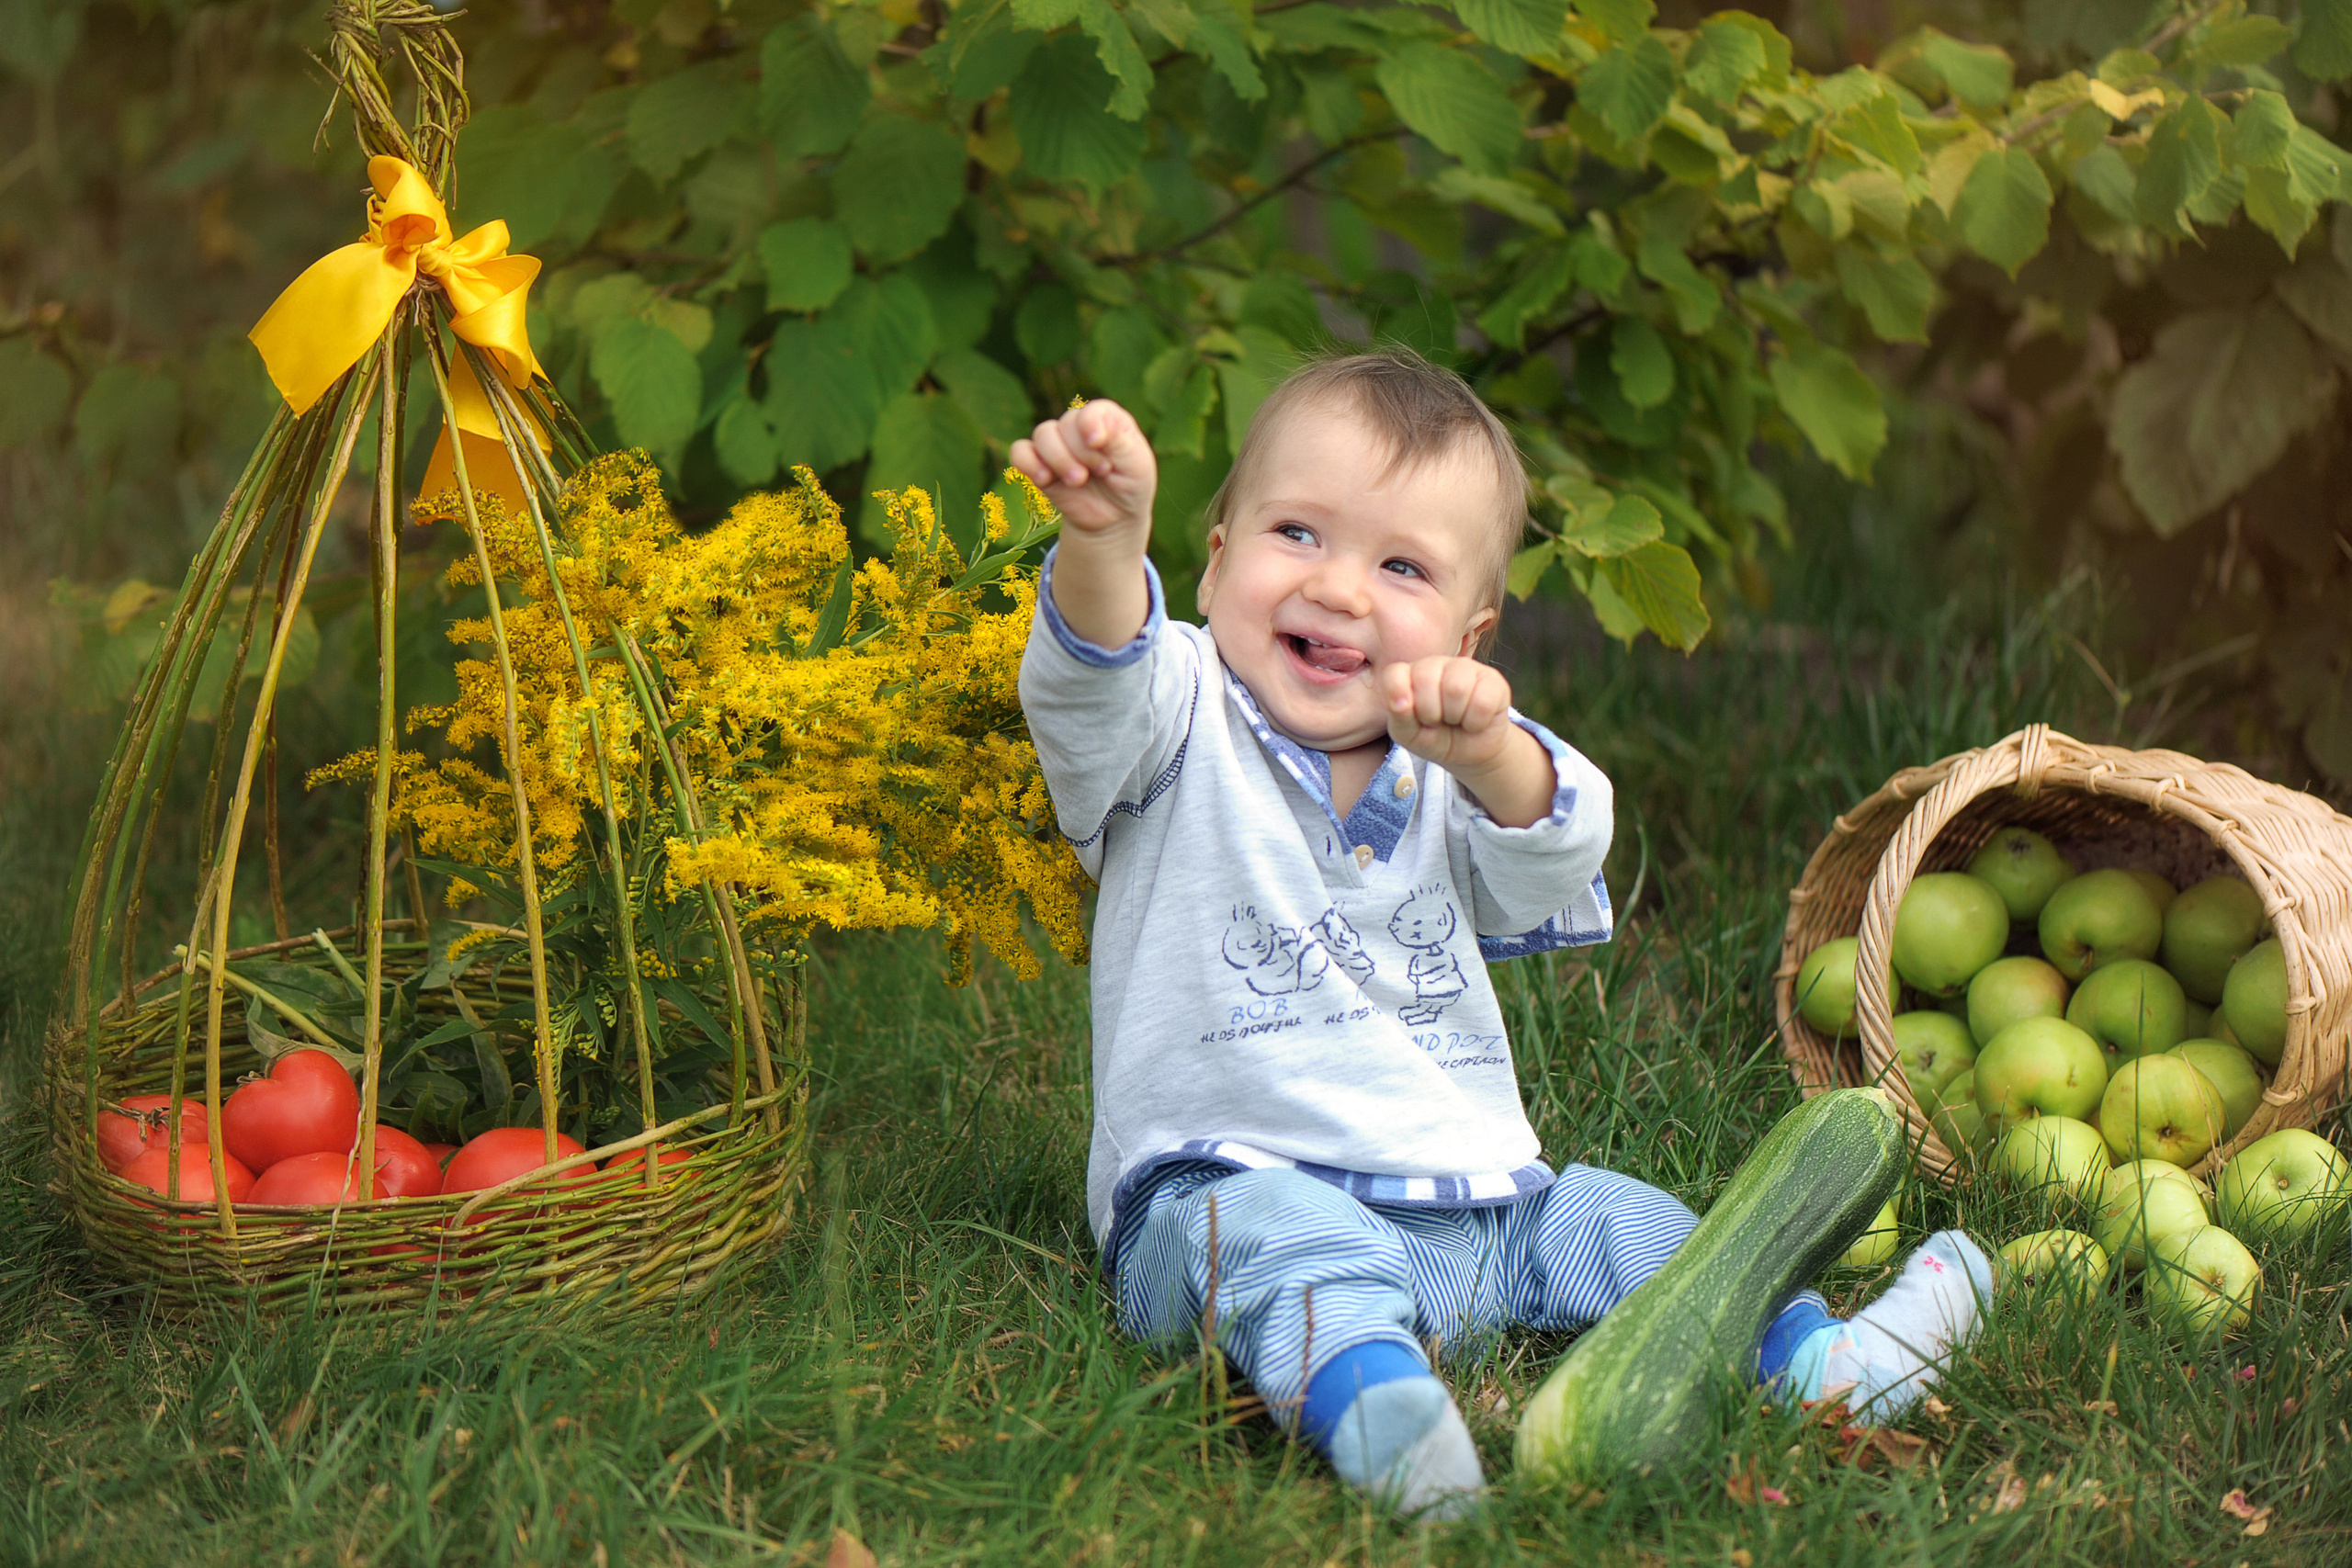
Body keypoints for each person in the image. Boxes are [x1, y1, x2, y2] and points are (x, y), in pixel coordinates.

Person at [1011, 349, 1989, 1519]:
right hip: (1219, 1186)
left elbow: (1558, 849)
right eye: (1296, 534)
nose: (1339, 588)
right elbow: (1088, 681)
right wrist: (1106, 544)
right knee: (1281, 1248)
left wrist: (1490, 752)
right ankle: (1380, 1407)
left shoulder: (1449, 772)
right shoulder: (1174, 719)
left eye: (1402, 565)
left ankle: (1816, 1359)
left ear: (1467, 646)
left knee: (1632, 1227)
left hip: (1478, 1205)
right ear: (1213, 569)